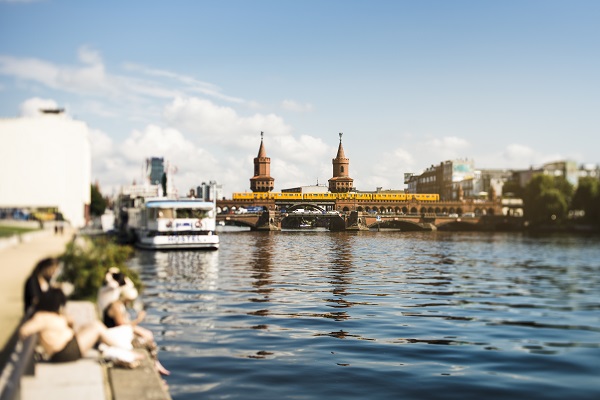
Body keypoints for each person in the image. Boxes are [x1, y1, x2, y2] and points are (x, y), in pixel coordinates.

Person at [19, 288, 134, 363]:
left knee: (91, 325)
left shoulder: (50, 316)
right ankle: (126, 350)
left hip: (68, 346)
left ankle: (118, 348)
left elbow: (65, 325)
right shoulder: (41, 317)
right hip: (65, 351)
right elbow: (24, 331)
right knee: (96, 327)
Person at [103, 284, 170, 375]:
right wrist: (138, 319)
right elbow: (121, 324)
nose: (130, 302)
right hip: (117, 336)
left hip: (121, 334)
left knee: (148, 336)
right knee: (148, 342)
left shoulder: (119, 305)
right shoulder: (116, 307)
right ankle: (155, 364)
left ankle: (156, 363)